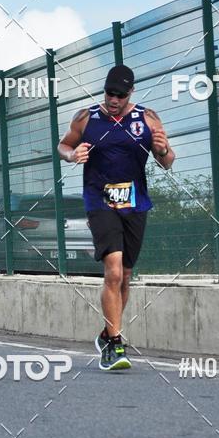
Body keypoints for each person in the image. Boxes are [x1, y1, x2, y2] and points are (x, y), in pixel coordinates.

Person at [58, 65, 175, 370]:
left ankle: (108, 334)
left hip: (135, 204)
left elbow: (167, 162)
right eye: (109, 92)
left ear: (130, 93)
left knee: (125, 276)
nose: (113, 99)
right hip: (99, 201)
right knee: (112, 272)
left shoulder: (147, 118)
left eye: (120, 95)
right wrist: (72, 155)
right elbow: (63, 144)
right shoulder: (87, 117)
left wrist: (162, 151)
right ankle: (116, 346)